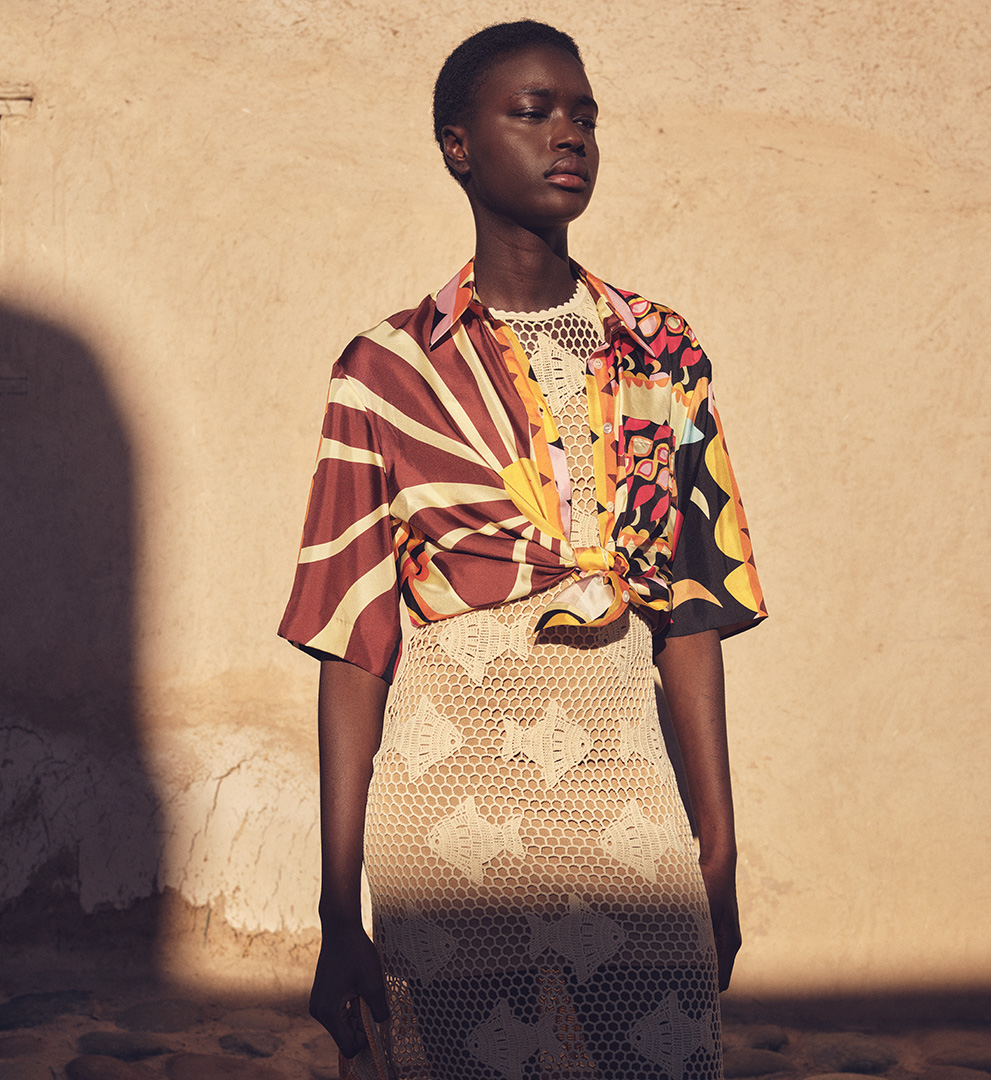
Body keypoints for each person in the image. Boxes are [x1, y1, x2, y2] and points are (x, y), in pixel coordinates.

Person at [279, 19, 767, 1080]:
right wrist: (336, 909)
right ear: (458, 146)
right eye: (534, 112)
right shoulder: (386, 371)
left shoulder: (662, 352)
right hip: (446, 815)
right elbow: (353, 642)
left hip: (628, 797)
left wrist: (718, 843)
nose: (569, 135)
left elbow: (690, 607)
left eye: (584, 115)